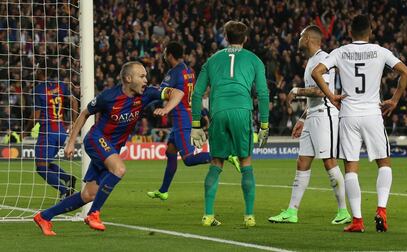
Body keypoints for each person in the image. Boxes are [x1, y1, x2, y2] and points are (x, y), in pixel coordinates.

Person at [33, 61, 184, 236]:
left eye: (145, 76)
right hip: (96, 139)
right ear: (128, 78)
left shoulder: (148, 93)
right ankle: (93, 214)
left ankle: (44, 216)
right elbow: (84, 114)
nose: (146, 80)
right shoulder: (108, 97)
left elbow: (178, 92)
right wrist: (71, 141)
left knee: (88, 194)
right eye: (141, 76)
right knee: (119, 169)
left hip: (112, 147)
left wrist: (166, 108)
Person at [312, 14, 407, 232]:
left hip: (348, 114)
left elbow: (316, 72)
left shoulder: (340, 52)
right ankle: (381, 210)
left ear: (350, 32)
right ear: (370, 32)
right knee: (384, 163)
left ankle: (357, 221)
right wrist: (394, 100)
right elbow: (406, 72)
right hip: (373, 113)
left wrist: (331, 95)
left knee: (350, 168)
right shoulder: (380, 51)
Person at [268, 25, 351, 225]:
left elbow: (323, 92)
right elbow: (315, 94)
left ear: (309, 39)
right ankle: (292, 211)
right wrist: (303, 118)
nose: (298, 38)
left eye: (301, 35)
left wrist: (296, 90)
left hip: (325, 116)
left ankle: (343, 212)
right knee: (302, 162)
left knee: (329, 162)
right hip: (313, 115)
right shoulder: (311, 61)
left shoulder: (323, 59)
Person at [191, 21, 269, 227]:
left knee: (216, 163)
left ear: (225, 37)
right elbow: (262, 93)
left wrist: (196, 124)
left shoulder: (212, 60)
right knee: (245, 162)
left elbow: (197, 93)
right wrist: (264, 125)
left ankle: (208, 215)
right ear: (245, 38)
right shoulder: (254, 60)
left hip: (218, 111)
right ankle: (249, 216)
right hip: (242, 111)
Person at [147, 42, 239, 200]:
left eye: (165, 52)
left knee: (189, 159)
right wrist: (202, 112)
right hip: (184, 117)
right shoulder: (189, 71)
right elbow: (194, 94)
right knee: (170, 152)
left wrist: (146, 94)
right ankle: (163, 191)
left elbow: (161, 91)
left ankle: (224, 153)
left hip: (182, 119)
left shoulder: (174, 73)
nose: (163, 55)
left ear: (170, 55)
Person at [24, 71, 78, 199]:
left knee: (41, 168)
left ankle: (65, 191)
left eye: (36, 69)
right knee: (46, 163)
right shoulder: (61, 85)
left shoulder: (38, 89)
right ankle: (67, 178)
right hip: (61, 132)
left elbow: (35, 117)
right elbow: (74, 101)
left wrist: (25, 131)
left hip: (47, 133)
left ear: (41, 71)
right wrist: (74, 121)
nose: (35, 72)